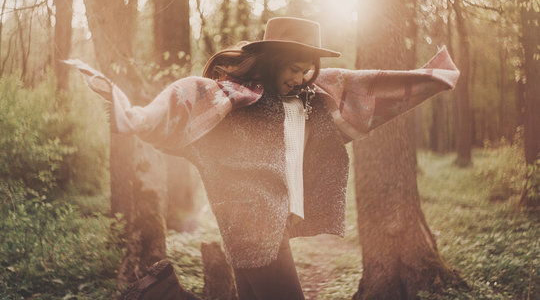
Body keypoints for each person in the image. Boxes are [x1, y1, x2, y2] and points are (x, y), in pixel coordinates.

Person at [66, 17, 459, 300]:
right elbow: (185, 101)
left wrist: (428, 78)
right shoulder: (233, 99)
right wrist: (133, 115)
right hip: (251, 226)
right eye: (294, 68)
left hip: (265, 225)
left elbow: (364, 89)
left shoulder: (309, 100)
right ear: (273, 61)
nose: (303, 77)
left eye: (309, 71)